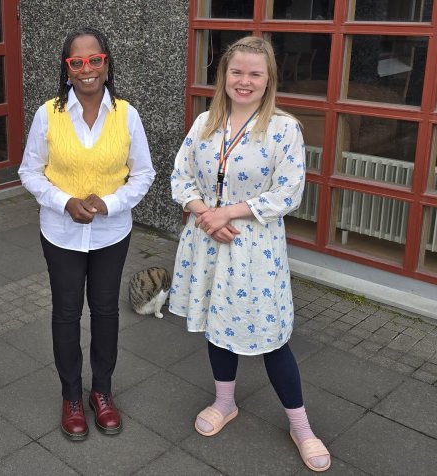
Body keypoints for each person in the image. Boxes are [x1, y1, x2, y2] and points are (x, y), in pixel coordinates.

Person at [168, 36, 331, 472]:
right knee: (217, 327)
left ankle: (301, 426)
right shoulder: (205, 122)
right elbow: (180, 177)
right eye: (236, 72)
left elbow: (288, 192)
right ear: (223, 75)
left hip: (253, 249)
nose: (244, 81)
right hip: (207, 240)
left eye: (254, 73)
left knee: (272, 339)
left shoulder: (283, 128)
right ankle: (225, 402)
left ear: (268, 80)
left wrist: (228, 214)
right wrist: (205, 214)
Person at [19, 27, 155, 441]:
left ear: (107, 63)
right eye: (76, 62)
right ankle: (71, 397)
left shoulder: (127, 115)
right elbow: (29, 171)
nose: (87, 69)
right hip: (60, 232)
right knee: (65, 313)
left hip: (112, 232)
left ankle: (102, 392)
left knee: (106, 312)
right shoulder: (48, 114)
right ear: (66, 69)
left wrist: (109, 204)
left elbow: (144, 174)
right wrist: (64, 201)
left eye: (95, 60)